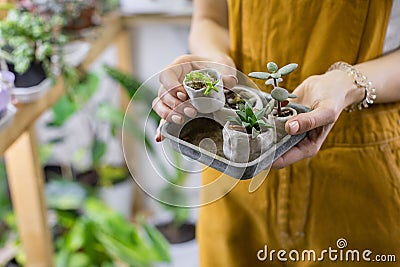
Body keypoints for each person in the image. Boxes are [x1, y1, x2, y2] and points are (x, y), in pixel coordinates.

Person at [152, 0, 400, 266]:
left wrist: (350, 82)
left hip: (357, 177)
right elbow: (210, 19)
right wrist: (215, 67)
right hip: (235, 171)